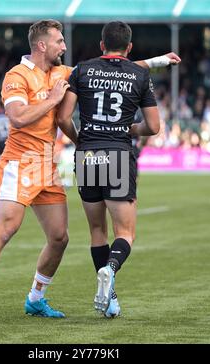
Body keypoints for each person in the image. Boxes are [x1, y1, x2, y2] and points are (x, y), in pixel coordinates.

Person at [0, 19, 180, 325]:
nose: (64, 46)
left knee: (59, 237)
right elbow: (18, 118)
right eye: (60, 41)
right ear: (42, 45)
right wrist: (53, 100)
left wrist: (157, 61)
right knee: (6, 229)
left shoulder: (62, 73)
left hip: (48, 164)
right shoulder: (16, 76)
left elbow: (112, 68)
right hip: (20, 162)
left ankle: (35, 298)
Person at [57, 21, 180, 318]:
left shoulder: (83, 70)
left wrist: (82, 140)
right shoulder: (139, 75)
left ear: (101, 45)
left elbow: (63, 118)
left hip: (87, 156)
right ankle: (110, 271)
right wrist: (129, 128)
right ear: (129, 48)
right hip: (118, 155)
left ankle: (109, 297)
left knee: (96, 231)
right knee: (125, 232)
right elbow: (153, 126)